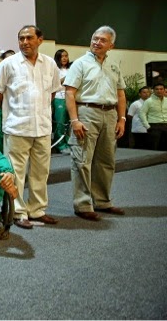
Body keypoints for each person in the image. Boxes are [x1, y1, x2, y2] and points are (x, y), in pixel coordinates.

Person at [0, 25, 61, 229]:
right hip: (17, 127)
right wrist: (13, 110)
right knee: (15, 172)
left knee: (41, 172)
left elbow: (52, 93)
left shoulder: (50, 64)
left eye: (29, 38)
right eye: (21, 38)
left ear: (40, 39)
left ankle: (37, 210)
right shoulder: (8, 64)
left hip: (42, 127)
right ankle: (17, 212)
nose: (24, 42)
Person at [64, 25, 126, 221]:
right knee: (82, 160)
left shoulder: (114, 65)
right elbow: (69, 93)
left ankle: (103, 201)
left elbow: (121, 94)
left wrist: (122, 118)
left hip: (110, 115)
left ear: (111, 45)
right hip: (86, 112)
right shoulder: (80, 64)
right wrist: (75, 120)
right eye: (95, 38)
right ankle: (83, 205)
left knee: (106, 161)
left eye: (102, 40)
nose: (97, 42)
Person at [52, 49, 72, 154]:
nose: (64, 58)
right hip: (59, 97)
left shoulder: (71, 69)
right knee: (60, 122)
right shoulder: (55, 69)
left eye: (66, 56)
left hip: (70, 98)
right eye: (62, 56)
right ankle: (60, 144)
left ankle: (68, 142)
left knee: (69, 122)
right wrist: (65, 78)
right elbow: (54, 84)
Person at [139, 82, 167, 151]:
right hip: (154, 126)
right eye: (157, 89)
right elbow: (142, 113)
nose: (159, 91)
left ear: (164, 90)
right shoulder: (149, 101)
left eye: (161, 89)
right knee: (154, 147)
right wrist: (147, 126)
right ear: (153, 91)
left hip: (166, 125)